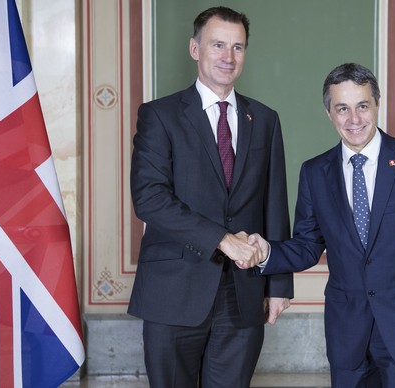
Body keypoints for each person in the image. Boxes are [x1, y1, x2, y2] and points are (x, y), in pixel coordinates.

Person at [250, 63, 395, 387]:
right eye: (342, 109)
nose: (354, 119)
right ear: (329, 114)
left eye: (362, 106)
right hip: (347, 334)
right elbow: (306, 245)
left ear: (376, 105)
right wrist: (266, 252)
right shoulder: (315, 173)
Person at [128, 6, 293, 388]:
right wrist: (222, 240)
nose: (228, 57)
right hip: (173, 292)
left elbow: (274, 203)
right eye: (218, 45)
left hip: (243, 294)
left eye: (238, 47)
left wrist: (280, 283)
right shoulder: (160, 115)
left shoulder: (265, 119)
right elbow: (150, 199)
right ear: (194, 49)